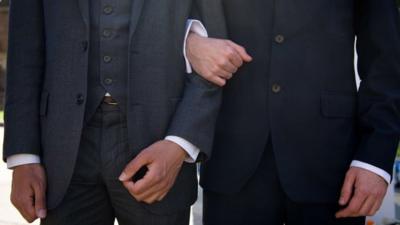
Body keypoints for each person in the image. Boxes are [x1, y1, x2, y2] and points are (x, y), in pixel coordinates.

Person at [3, 0, 221, 224]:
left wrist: (180, 142)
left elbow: (216, 46)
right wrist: (23, 156)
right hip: (63, 149)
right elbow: (24, 49)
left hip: (161, 138)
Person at [186, 0, 400, 224]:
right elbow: (182, 14)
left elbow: (385, 61)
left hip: (331, 162)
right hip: (232, 159)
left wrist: (375, 158)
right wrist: (191, 41)